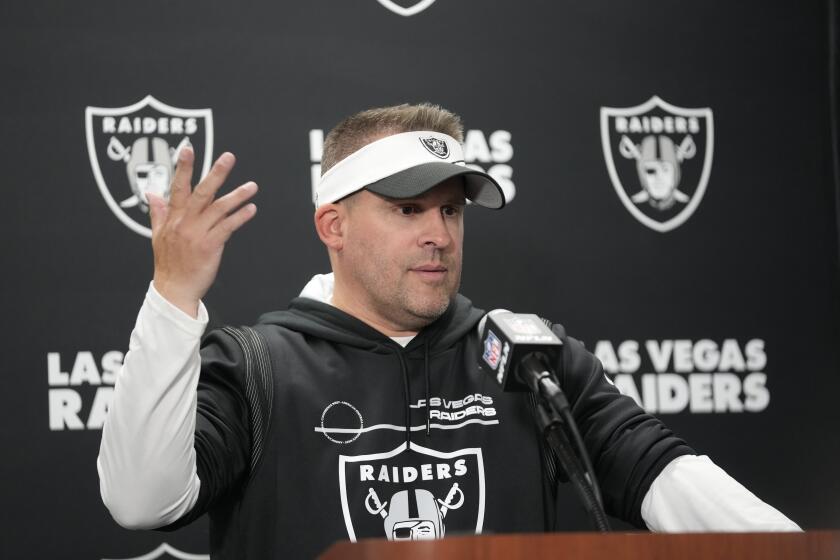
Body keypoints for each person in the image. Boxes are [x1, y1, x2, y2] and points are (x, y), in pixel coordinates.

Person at [98, 103, 799, 559]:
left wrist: (790, 549)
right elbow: (140, 501)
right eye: (409, 210)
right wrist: (173, 295)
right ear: (332, 226)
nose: (440, 234)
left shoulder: (530, 359)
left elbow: (661, 473)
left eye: (452, 210)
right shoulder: (256, 366)